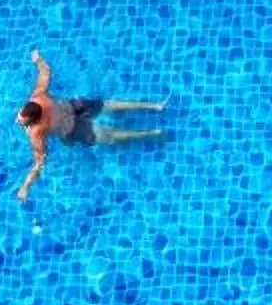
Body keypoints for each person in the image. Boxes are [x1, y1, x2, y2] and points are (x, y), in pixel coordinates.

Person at [16, 50, 164, 201]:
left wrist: (25, 186)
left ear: (34, 121)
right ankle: (156, 106)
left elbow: (40, 162)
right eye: (19, 115)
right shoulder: (39, 96)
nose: (17, 120)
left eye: (22, 120)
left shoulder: (36, 133)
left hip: (73, 128)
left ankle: (151, 133)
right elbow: (46, 72)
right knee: (110, 105)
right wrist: (38, 60)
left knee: (111, 136)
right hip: (73, 106)